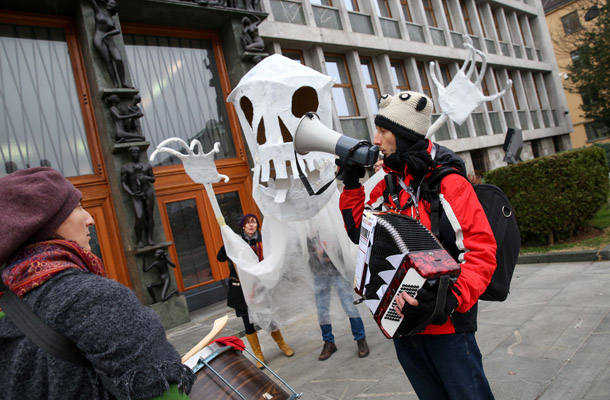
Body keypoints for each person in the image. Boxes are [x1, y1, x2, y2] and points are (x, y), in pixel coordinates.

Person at [338, 91, 497, 399]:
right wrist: (352, 185)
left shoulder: (448, 183)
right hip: (401, 321)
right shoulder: (387, 184)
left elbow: (481, 252)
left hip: (447, 324)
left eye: (383, 131)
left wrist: (447, 300)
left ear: (404, 134)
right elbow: (361, 232)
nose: (376, 138)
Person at [0, 167, 194, 399]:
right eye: (77, 207)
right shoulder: (97, 299)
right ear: (48, 223)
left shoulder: (8, 305)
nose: (90, 219)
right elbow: (166, 394)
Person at [216, 213, 294, 369]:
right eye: (248, 223)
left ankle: (282, 344)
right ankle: (258, 355)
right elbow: (220, 258)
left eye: (254, 222)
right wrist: (228, 243)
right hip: (240, 289)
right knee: (248, 323)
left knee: (268, 317)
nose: (251, 225)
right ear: (243, 226)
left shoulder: (263, 243)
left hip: (260, 288)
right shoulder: (236, 243)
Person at [307, 236, 369, 361]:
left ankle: (361, 339)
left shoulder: (331, 221)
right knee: (322, 310)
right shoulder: (307, 228)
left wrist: (328, 253)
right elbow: (304, 248)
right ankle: (328, 342)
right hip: (318, 272)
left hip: (338, 270)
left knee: (349, 306)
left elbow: (343, 243)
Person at [121, 146, 156, 248]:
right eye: (133, 153)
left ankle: (150, 239)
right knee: (139, 216)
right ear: (130, 154)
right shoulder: (126, 167)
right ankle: (139, 240)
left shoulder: (146, 165)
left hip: (147, 191)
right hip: (136, 193)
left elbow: (153, 179)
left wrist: (146, 177)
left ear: (139, 153)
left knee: (150, 215)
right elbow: (123, 183)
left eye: (137, 152)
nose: (135, 154)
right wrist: (132, 193)